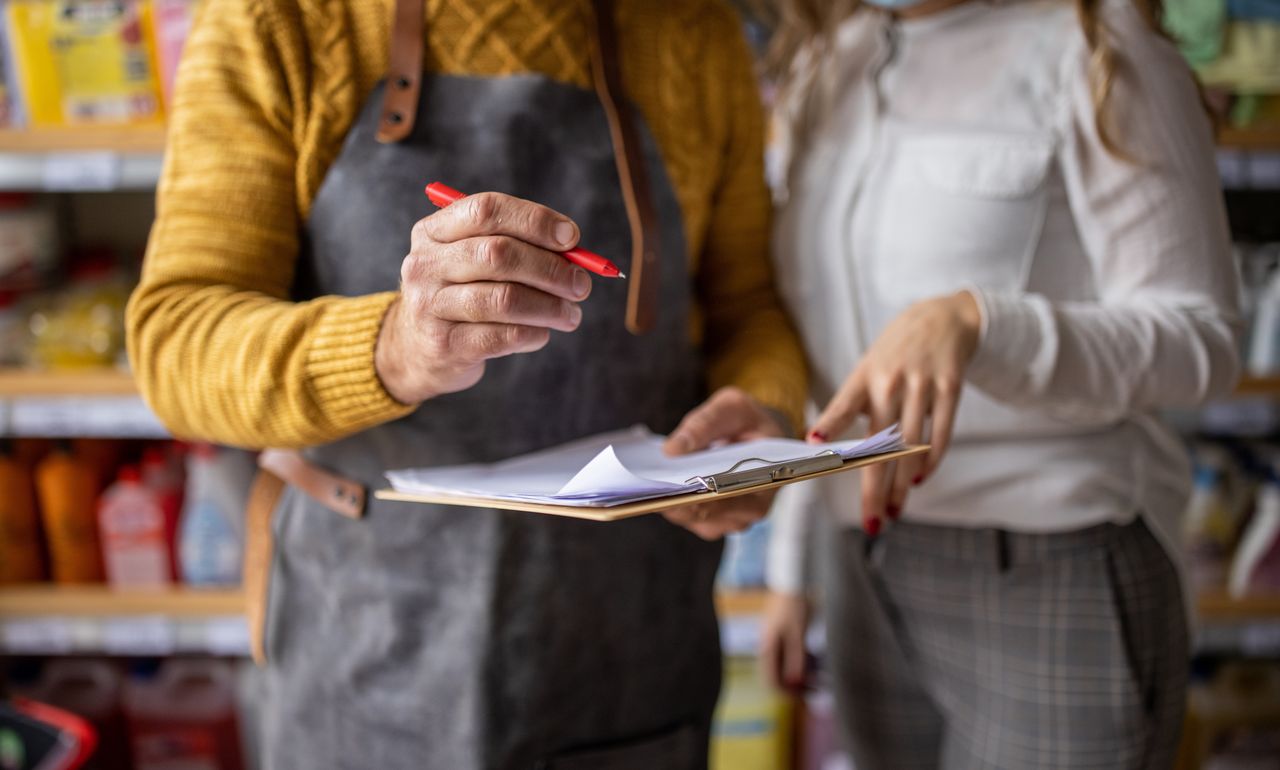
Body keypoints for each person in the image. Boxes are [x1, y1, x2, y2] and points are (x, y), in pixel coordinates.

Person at [126, 0, 808, 767]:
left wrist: (764, 412)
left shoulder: (691, 27)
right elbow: (176, 343)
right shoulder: (278, 20)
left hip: (627, 639)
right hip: (364, 635)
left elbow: (747, 304)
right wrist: (390, 348)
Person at [759, 0, 1241, 767]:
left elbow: (1203, 343)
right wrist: (793, 566)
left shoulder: (1097, 46)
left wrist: (982, 324)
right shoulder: (831, 59)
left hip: (1052, 566)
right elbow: (827, 354)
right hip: (862, 564)